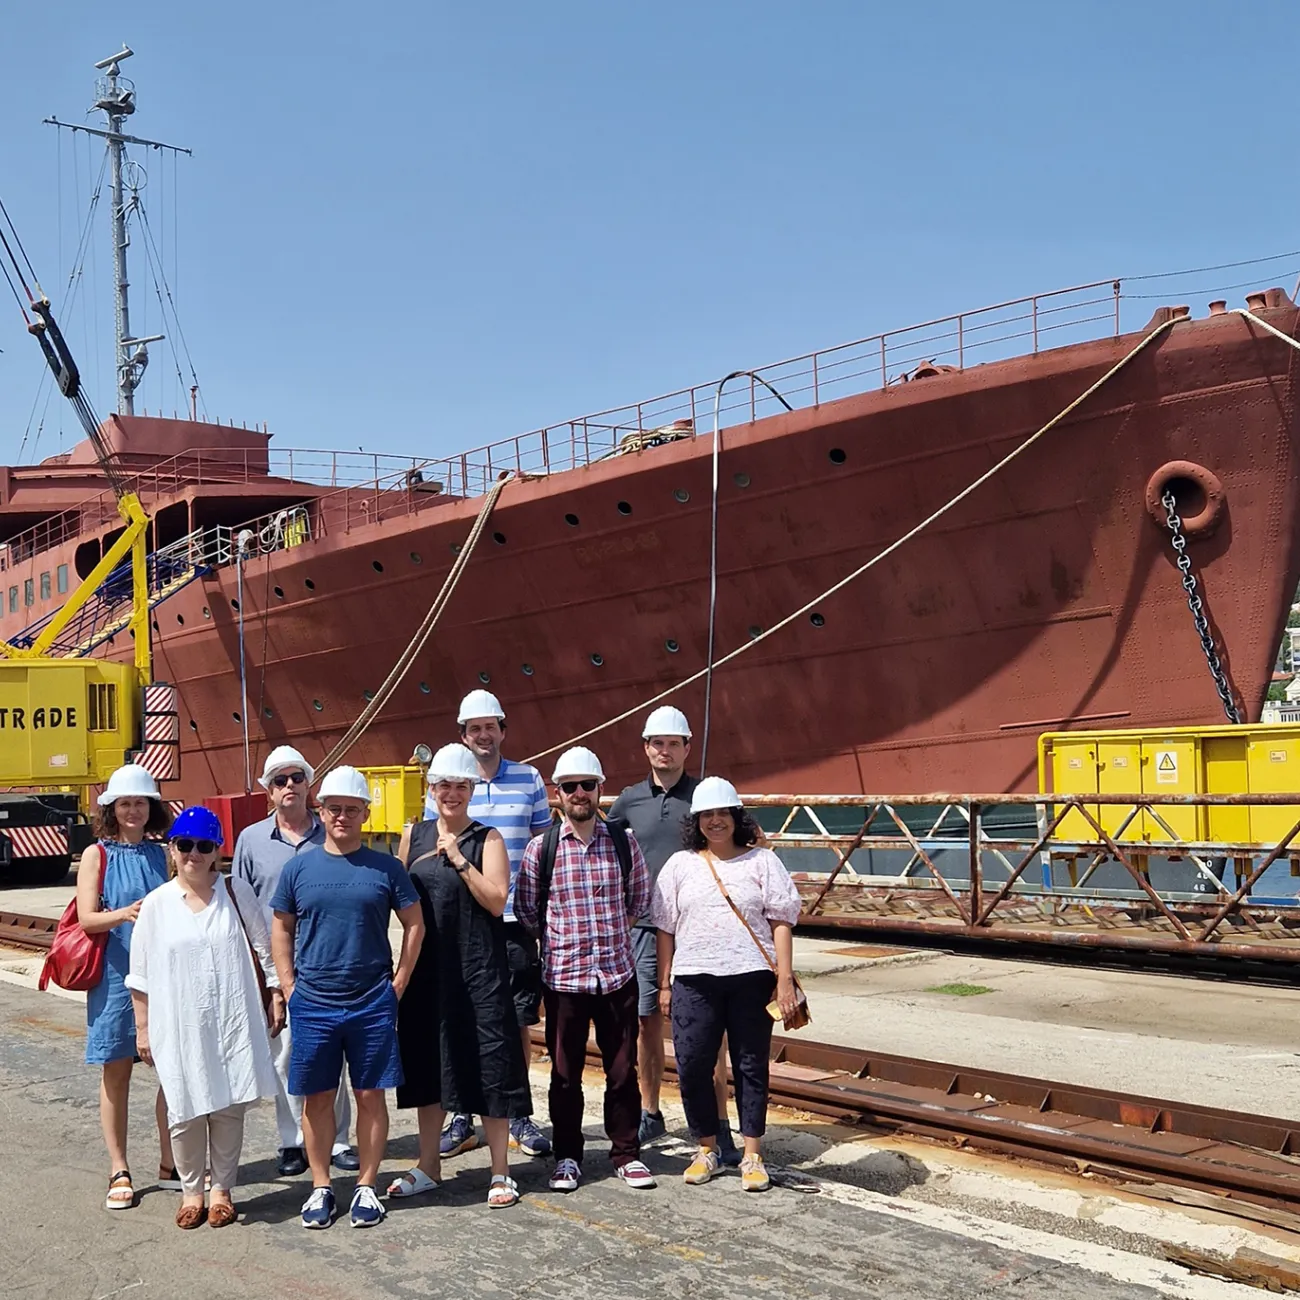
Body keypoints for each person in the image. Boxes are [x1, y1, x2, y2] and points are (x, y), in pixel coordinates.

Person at [270, 765, 424, 1230]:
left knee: (369, 1094)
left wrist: (399, 983)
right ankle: (320, 1187)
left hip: (370, 1000)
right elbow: (281, 927)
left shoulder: (387, 868)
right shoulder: (298, 868)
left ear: (365, 813)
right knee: (316, 1098)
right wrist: (290, 985)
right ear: (322, 810)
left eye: (351, 810)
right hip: (313, 999)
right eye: (334, 808)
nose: (342, 817)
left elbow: (415, 924)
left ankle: (365, 1186)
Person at [126, 807, 284, 1228]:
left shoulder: (236, 894)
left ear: (217, 851)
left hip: (232, 1015)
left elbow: (263, 946)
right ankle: (192, 1191)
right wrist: (143, 1028)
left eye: (203, 846)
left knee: (229, 1105)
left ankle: (222, 1190)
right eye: (185, 845)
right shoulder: (157, 905)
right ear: (172, 850)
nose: (193, 854)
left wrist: (275, 993)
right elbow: (138, 974)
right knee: (184, 1107)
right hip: (177, 1023)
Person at [389, 744, 532, 1208]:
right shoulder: (413, 834)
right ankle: (428, 1164)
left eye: (461, 786)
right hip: (428, 970)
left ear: (472, 790)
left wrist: (457, 858)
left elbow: (495, 900)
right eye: (444, 785)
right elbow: (398, 899)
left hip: (478, 970)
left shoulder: (485, 839)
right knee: (429, 1066)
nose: (452, 793)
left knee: (490, 1066)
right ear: (431, 789)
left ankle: (500, 1171)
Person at [515, 746, 656, 1193]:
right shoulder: (543, 848)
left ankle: (626, 1153)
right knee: (564, 1075)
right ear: (557, 793)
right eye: (570, 786)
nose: (579, 793)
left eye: (587, 785)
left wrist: (608, 937)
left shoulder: (623, 841)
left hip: (615, 975)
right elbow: (527, 909)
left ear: (600, 790)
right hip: (565, 979)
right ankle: (568, 1157)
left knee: (621, 1071)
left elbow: (638, 901)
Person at [651, 777, 802, 1192]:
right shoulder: (680, 865)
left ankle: (752, 1154)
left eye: (723, 814)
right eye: (707, 815)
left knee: (751, 1066)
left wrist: (783, 980)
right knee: (693, 1065)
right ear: (696, 821)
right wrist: (664, 984)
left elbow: (781, 921)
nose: (715, 822)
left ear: (737, 817)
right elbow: (665, 927)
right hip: (694, 979)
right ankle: (707, 1147)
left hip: (751, 978)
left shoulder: (763, 862)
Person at [431, 690, 553, 1162]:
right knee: (459, 1018)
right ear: (463, 735)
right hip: (459, 926)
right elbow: (432, 849)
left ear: (503, 729)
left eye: (490, 726)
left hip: (513, 920)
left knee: (517, 1019)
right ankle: (461, 1115)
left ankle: (518, 1112)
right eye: (474, 728)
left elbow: (545, 850)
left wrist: (542, 914)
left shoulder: (529, 779)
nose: (483, 735)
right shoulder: (446, 784)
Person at [609, 705, 733, 1155]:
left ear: (687, 747)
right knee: (647, 1024)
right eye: (657, 743)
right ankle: (650, 1113)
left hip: (699, 926)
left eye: (673, 743)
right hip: (643, 926)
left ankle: (718, 1122)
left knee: (712, 1029)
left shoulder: (704, 797)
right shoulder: (628, 801)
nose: (665, 751)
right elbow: (608, 848)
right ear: (646, 748)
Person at [232, 745, 357, 1177]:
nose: (289, 787)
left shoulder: (332, 834)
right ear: (268, 791)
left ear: (309, 784)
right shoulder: (250, 841)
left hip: (328, 962)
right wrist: (264, 977)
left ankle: (339, 1139)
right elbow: (243, 907)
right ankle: (293, 1141)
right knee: (284, 1056)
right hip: (276, 967)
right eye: (280, 781)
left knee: (333, 1057)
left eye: (297, 778)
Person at [78, 762, 175, 1211]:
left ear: (150, 807)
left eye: (140, 802)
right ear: (111, 809)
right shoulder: (98, 854)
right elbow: (86, 918)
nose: (133, 810)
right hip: (116, 976)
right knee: (116, 1071)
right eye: (125, 803)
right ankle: (119, 1167)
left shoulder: (165, 854)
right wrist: (125, 913)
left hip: (162, 976)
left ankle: (170, 1162)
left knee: (171, 1072)